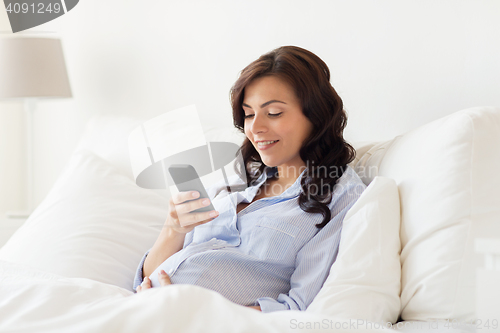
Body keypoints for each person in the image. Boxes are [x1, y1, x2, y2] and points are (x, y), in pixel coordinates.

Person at [133, 45, 366, 312]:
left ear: (317, 114)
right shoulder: (231, 183)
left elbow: (298, 307)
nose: (255, 128)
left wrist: (199, 312)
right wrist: (172, 229)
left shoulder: (341, 196)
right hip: (147, 311)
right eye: (249, 114)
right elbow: (145, 279)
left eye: (274, 113)